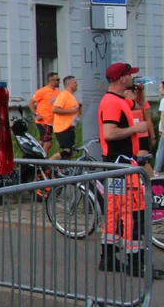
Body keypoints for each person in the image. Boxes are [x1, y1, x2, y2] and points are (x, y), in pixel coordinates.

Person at [96, 63, 161, 278]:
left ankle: (109, 258)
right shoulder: (112, 103)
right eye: (131, 76)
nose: (134, 78)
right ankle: (137, 264)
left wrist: (140, 90)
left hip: (119, 165)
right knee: (135, 212)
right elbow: (109, 133)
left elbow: (137, 104)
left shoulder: (119, 100)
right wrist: (136, 128)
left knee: (116, 212)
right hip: (121, 164)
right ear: (122, 79)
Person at [50, 76, 80, 160]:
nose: (77, 84)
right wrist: (71, 111)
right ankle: (47, 165)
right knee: (67, 151)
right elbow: (54, 109)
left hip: (69, 128)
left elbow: (73, 110)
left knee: (70, 152)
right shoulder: (64, 95)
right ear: (69, 84)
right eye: (75, 83)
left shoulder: (71, 96)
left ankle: (62, 169)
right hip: (62, 128)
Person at [31, 73, 60, 155]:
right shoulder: (42, 91)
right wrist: (36, 114)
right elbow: (31, 103)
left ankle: (33, 156)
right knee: (48, 143)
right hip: (43, 121)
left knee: (43, 142)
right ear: (51, 81)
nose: (59, 82)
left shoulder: (57, 91)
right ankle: (44, 163)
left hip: (52, 121)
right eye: (57, 80)